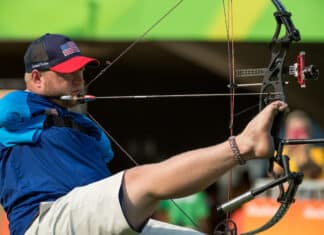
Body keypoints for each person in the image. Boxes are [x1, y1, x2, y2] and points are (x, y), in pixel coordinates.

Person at [0, 33, 288, 235]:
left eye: (80, 71)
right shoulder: (17, 107)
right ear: (36, 79)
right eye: (66, 73)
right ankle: (245, 144)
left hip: (92, 222)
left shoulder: (85, 129)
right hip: (45, 223)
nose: (78, 80)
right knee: (137, 181)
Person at [274, 110, 324, 178]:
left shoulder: (318, 152)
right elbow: (273, 175)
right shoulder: (279, 153)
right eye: (293, 131)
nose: (296, 137)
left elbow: (318, 174)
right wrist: (287, 152)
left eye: (301, 131)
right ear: (286, 132)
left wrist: (308, 158)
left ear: (309, 133)